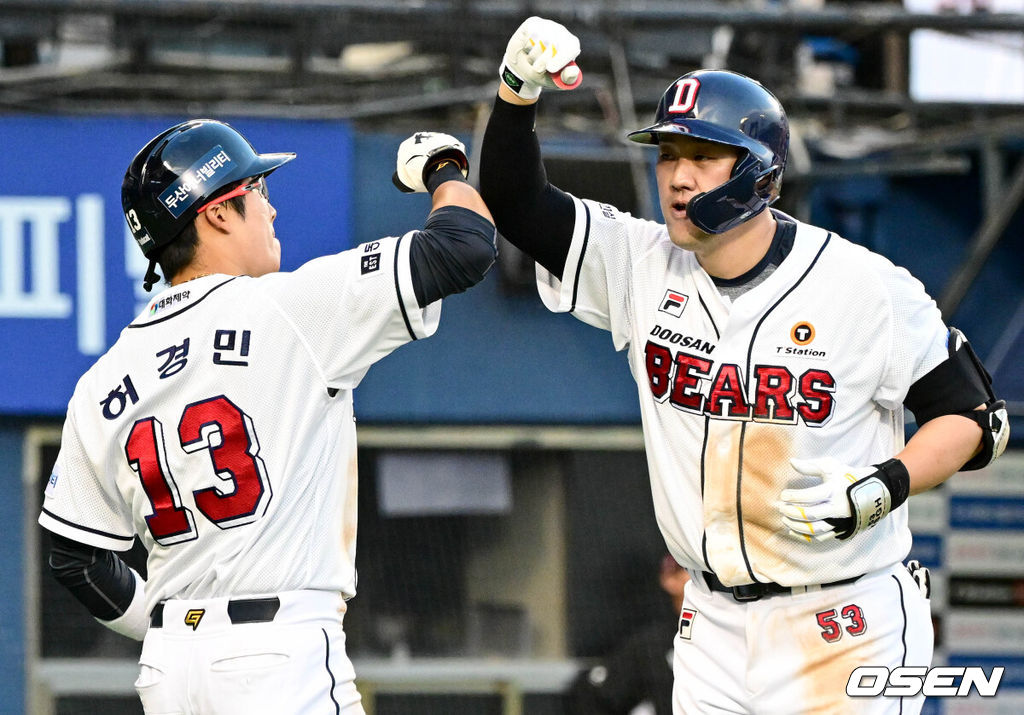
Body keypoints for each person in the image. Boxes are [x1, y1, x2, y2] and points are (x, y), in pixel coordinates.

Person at [480, 16, 1009, 714]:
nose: (677, 174)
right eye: (668, 154)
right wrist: (517, 92)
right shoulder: (642, 264)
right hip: (712, 622)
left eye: (703, 153)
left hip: (843, 620)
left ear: (759, 170)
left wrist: (886, 484)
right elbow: (518, 205)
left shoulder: (862, 286)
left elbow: (976, 417)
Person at [38, 120, 496, 714]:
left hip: (169, 669)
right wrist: (443, 167)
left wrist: (166, 627)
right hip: (280, 658)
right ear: (219, 213)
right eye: (258, 191)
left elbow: (75, 559)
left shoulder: (101, 381)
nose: (272, 211)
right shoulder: (289, 310)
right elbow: (465, 244)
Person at [566, 555, 690, 715]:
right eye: (690, 572)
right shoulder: (652, 645)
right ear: (670, 579)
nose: (704, 583)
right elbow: (592, 695)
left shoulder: (724, 638)